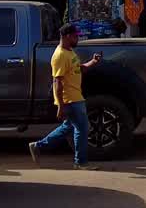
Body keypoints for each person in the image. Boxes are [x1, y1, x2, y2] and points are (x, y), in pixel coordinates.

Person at [28, 24, 102, 169]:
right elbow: (57, 82)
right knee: (82, 127)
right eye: (76, 36)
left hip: (75, 97)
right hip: (70, 99)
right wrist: (61, 106)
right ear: (67, 36)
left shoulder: (70, 52)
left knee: (69, 127)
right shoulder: (60, 55)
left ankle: (38, 146)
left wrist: (93, 62)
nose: (78, 38)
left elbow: (78, 69)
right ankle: (80, 162)